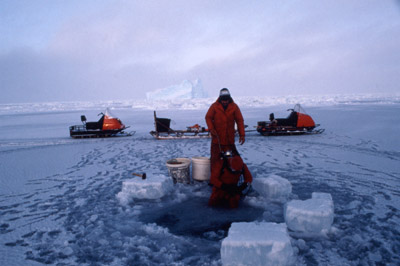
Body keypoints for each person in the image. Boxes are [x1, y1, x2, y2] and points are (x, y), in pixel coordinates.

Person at [205, 88, 246, 169]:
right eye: (223, 100)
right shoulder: (214, 106)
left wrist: (242, 134)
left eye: (226, 100)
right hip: (217, 140)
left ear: (229, 98)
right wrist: (211, 128)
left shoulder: (234, 107)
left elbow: (240, 120)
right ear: (220, 99)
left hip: (229, 140)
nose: (225, 102)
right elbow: (208, 117)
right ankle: (215, 180)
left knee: (236, 160)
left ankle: (238, 176)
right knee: (215, 161)